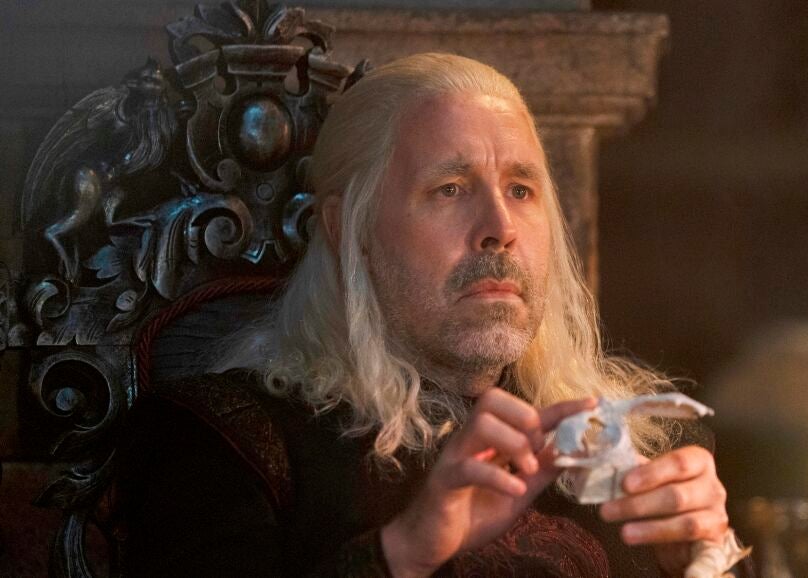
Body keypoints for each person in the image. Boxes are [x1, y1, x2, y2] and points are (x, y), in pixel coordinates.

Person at [118, 53, 745, 577]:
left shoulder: (644, 450)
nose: (500, 227)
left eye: (521, 190)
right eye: (450, 189)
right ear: (348, 228)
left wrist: (707, 562)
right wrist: (408, 549)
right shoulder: (222, 443)